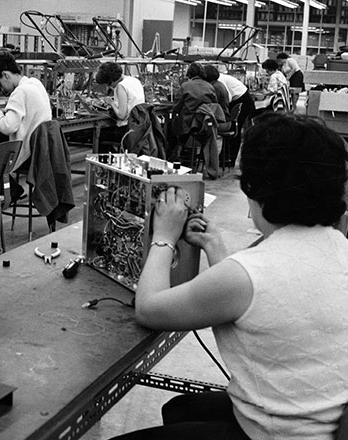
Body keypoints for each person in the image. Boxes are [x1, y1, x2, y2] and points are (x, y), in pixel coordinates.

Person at [111, 113, 348, 440]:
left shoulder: (249, 275)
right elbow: (259, 295)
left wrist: (163, 235)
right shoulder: (338, 248)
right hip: (324, 424)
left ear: (255, 190)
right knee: (180, 410)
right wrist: (213, 244)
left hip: (275, 434)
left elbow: (149, 309)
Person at [0, 50, 52, 173]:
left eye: (0, 84)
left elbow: (8, 127)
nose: (2, 89)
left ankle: (12, 191)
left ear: (6, 75)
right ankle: (12, 189)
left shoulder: (20, 92)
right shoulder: (35, 83)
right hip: (42, 152)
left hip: (28, 155)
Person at [95, 61, 145, 152]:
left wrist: (111, 102)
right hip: (140, 126)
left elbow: (122, 115)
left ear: (110, 80)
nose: (108, 87)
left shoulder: (121, 86)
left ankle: (106, 162)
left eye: (107, 84)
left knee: (99, 135)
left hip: (127, 129)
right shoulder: (134, 80)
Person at [218, 71, 255, 167]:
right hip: (238, 100)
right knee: (232, 129)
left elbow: (228, 98)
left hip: (243, 101)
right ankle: (225, 157)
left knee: (234, 129)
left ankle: (229, 159)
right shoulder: (219, 79)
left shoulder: (220, 81)